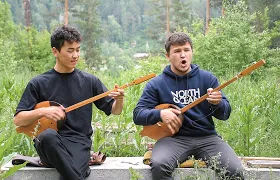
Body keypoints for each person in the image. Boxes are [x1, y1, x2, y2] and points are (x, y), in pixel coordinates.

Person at [13, 25, 124, 180]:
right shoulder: (38, 83)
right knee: (48, 136)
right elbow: (18, 119)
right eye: (70, 50)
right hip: (49, 144)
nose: (75, 55)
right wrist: (43, 112)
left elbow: (115, 110)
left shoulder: (89, 81)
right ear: (55, 51)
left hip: (79, 143)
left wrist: (119, 100)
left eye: (78, 50)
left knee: (70, 174)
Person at [133, 32, 244, 180]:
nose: (183, 55)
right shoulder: (157, 84)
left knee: (234, 170)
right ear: (168, 56)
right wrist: (161, 114)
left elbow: (225, 114)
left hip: (208, 138)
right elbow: (138, 114)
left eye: (186, 50)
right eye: (177, 51)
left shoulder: (208, 79)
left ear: (192, 52)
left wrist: (218, 103)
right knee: (159, 165)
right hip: (173, 139)